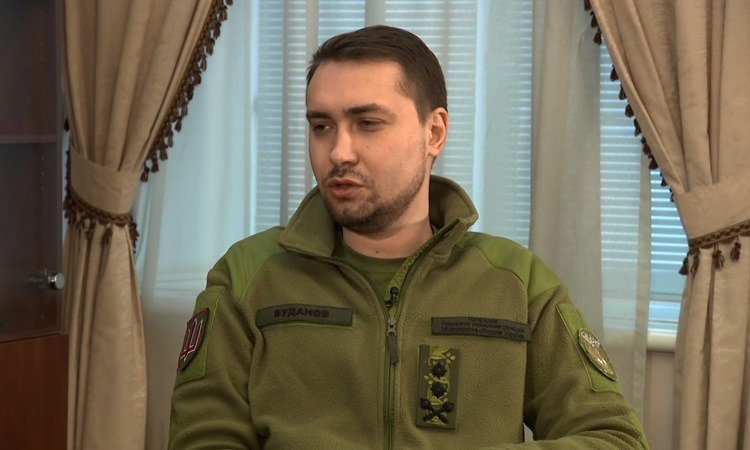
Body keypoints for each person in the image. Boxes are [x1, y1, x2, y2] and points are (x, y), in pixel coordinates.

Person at [168, 25, 649, 449]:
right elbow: (203, 439)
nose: (339, 152)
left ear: (433, 132)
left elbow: (614, 439)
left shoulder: (517, 283)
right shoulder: (246, 277)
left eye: (367, 123)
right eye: (322, 126)